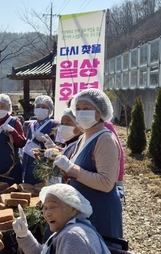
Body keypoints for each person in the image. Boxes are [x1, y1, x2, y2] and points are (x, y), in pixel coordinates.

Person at [51, 89, 123, 240]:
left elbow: (106, 183)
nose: (81, 112)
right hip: (84, 211)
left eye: (86, 108)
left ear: (100, 112)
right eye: (78, 108)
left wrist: (72, 169)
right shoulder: (84, 137)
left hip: (100, 212)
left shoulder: (104, 139)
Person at [0, 94, 25, 185]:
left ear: (8, 108)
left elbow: (21, 143)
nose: (0, 108)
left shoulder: (14, 122)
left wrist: (13, 131)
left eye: (3, 106)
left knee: (12, 190)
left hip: (11, 164)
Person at [21, 95, 59, 184]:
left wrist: (46, 141)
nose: (40, 109)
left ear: (49, 110)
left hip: (44, 162)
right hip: (29, 159)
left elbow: (59, 146)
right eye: (38, 107)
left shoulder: (55, 124)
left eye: (43, 107)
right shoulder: (31, 125)